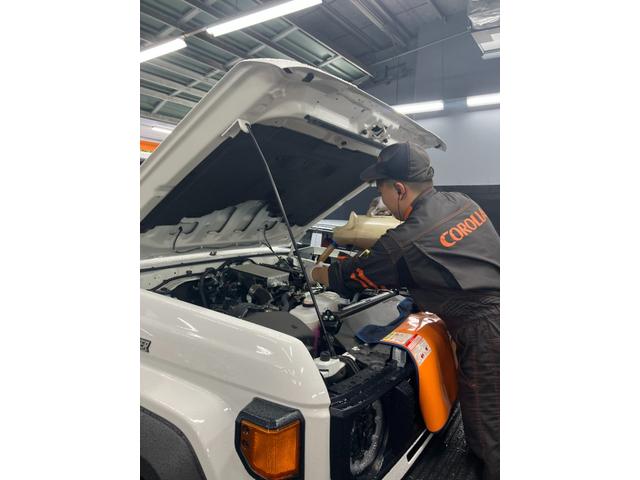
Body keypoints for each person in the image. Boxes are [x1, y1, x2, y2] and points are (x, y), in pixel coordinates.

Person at [309, 142, 500, 480]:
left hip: (488, 331)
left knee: (490, 430)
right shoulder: (461, 202)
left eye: (381, 191)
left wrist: (315, 273)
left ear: (398, 189)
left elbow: (349, 276)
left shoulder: (404, 242)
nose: (381, 200)